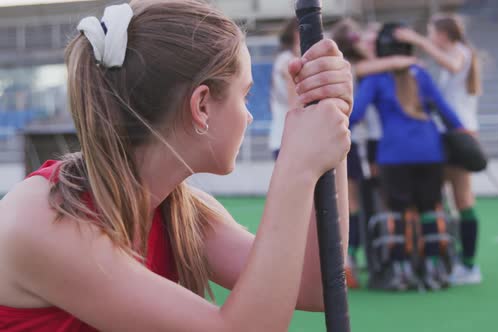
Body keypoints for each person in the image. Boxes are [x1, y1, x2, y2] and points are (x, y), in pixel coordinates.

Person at [0, 1, 353, 331]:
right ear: (201, 105)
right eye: (243, 95)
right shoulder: (45, 220)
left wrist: (328, 122)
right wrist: (297, 169)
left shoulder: (180, 210)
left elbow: (316, 287)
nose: (248, 116)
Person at [350, 23, 465, 291]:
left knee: (397, 212)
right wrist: (464, 134)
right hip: (430, 151)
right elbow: (446, 111)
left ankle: (400, 270)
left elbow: (356, 115)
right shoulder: (421, 75)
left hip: (394, 154)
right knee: (430, 208)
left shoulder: (376, 78)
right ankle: (434, 266)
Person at [395, 14, 483, 285]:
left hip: (458, 136)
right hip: (450, 135)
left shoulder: (460, 53)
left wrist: (416, 40)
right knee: (442, 196)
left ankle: (468, 265)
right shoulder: (457, 54)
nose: (430, 38)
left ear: (444, 35)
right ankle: (454, 257)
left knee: (463, 199)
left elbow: (453, 66)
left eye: (432, 33)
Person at [331, 18, 415, 289]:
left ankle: (369, 256)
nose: (372, 43)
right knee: (358, 202)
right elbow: (390, 64)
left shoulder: (360, 68)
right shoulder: (358, 67)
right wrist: (412, 58)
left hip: (371, 142)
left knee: (366, 202)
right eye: (365, 40)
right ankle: (351, 259)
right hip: (364, 143)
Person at [268, 18, 299, 159]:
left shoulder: (284, 58)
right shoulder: (287, 60)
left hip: (285, 139)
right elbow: (295, 106)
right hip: (289, 140)